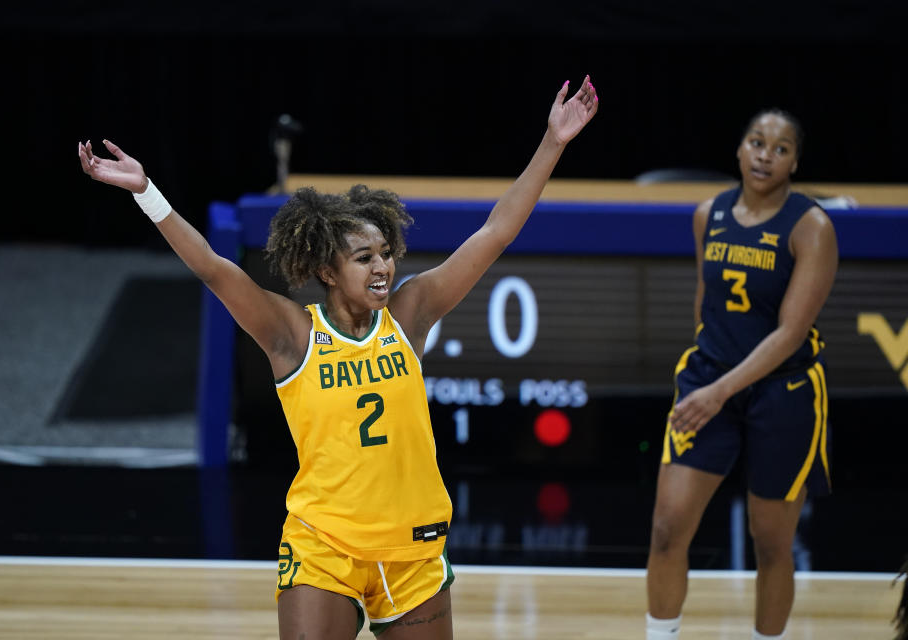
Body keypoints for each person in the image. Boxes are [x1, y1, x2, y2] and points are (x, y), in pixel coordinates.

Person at [79, 75, 598, 640]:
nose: (381, 268)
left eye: (385, 254)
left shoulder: (410, 315)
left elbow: (495, 232)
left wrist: (554, 142)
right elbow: (211, 266)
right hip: (325, 545)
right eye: (363, 258)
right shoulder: (293, 336)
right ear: (328, 271)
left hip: (412, 546)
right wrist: (147, 193)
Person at [645, 109, 838, 640]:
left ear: (795, 161)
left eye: (779, 148)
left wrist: (720, 391)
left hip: (784, 392)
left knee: (771, 541)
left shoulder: (812, 226)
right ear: (739, 149)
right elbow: (705, 303)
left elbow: (790, 334)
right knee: (666, 530)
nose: (764, 154)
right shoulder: (709, 213)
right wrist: (710, 378)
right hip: (708, 382)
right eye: (756, 142)